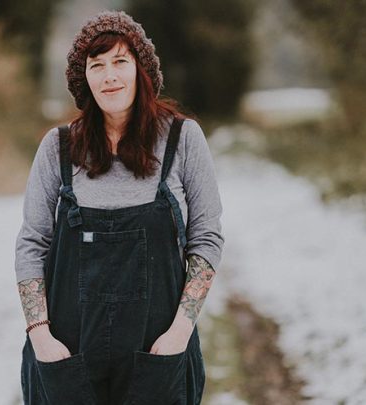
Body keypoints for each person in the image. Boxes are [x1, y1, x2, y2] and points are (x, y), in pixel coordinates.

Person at [15, 10, 224, 405]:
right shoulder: (57, 148)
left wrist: (181, 330)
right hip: (69, 355)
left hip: (158, 351)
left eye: (120, 62)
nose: (109, 76)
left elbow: (206, 238)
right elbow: (32, 243)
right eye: (97, 66)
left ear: (141, 71)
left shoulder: (183, 140)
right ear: (84, 79)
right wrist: (39, 334)